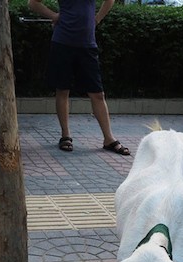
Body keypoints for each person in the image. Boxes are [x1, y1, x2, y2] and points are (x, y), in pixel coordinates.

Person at [27, 0, 130, 155]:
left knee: (98, 93)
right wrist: (54, 16)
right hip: (62, 43)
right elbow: (33, 3)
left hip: (87, 45)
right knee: (62, 90)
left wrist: (97, 19)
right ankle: (65, 135)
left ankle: (108, 138)